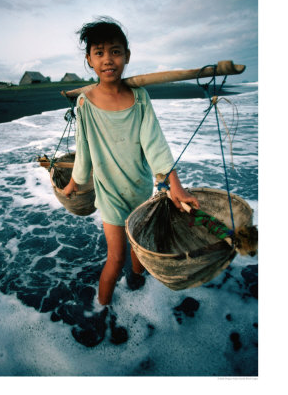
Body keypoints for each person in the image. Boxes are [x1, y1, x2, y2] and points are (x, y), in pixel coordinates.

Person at [63, 17, 199, 306]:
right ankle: (103, 309)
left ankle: (138, 285)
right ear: (89, 60)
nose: (108, 59)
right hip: (109, 193)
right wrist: (73, 183)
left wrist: (176, 185)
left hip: (138, 188)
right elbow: (83, 151)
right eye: (99, 53)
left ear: (127, 55)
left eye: (115, 51)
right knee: (116, 256)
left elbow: (155, 144)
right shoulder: (85, 103)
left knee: (140, 246)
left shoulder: (139, 97)